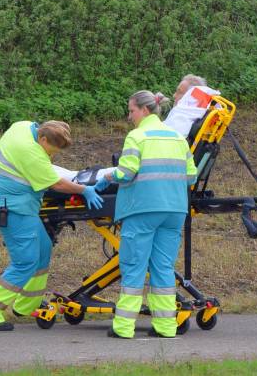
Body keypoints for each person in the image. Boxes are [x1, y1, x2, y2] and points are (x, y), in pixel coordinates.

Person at [0, 120, 103, 331]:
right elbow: (57, 184)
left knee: (43, 248)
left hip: (7, 201)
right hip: (9, 207)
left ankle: (27, 304)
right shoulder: (31, 153)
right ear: (42, 138)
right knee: (25, 262)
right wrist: (84, 190)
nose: (52, 156)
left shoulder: (23, 127)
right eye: (51, 150)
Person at [97, 91, 196, 338]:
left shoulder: (137, 136)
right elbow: (191, 176)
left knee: (134, 266)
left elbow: (126, 173)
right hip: (175, 210)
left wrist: (108, 176)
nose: (129, 116)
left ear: (144, 110)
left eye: (131, 111)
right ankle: (165, 327)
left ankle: (123, 327)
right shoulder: (178, 138)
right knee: (163, 267)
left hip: (143, 210)